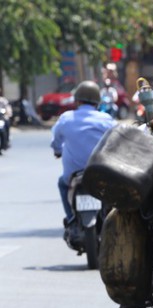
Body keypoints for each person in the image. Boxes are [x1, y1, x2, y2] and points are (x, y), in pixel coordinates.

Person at [50, 80, 115, 231]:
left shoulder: (66, 119)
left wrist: (57, 151)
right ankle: (108, 218)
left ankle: (71, 219)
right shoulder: (106, 120)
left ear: (77, 100)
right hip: (100, 176)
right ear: (97, 102)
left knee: (62, 183)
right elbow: (117, 140)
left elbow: (56, 141)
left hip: (73, 176)